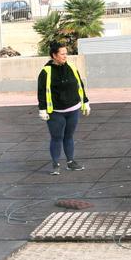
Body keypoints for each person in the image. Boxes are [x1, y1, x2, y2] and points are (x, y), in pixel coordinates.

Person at [37, 42, 90, 175]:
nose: (65, 56)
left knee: (69, 136)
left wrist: (85, 102)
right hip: (55, 112)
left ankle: (71, 162)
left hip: (73, 109)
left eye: (66, 53)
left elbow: (79, 85)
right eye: (62, 54)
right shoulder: (46, 72)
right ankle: (56, 164)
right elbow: (42, 91)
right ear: (54, 55)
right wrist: (42, 109)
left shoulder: (71, 67)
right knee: (57, 137)